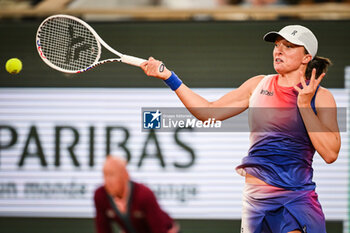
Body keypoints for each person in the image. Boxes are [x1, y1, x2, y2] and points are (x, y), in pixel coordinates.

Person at [140, 25, 341, 233]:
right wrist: (169, 77)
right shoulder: (258, 85)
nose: (278, 51)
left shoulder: (321, 96)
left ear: (306, 57)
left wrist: (305, 106)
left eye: (288, 46)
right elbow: (208, 112)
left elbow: (330, 153)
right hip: (256, 200)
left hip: (296, 198)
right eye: (277, 45)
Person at [94, 156, 180, 233]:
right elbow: (102, 229)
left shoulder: (144, 195)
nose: (108, 180)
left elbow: (158, 229)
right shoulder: (100, 195)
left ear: (125, 175)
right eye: (105, 175)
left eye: (112, 175)